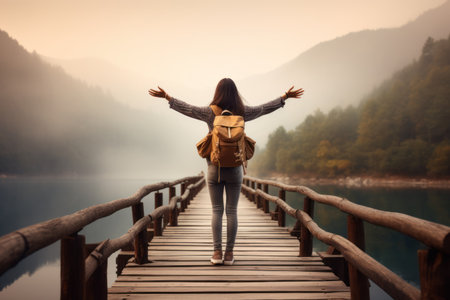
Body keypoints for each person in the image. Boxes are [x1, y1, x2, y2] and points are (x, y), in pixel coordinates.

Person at [149, 78, 303, 265]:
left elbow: (188, 109)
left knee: (216, 211)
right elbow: (264, 108)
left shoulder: (210, 112)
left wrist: (167, 97)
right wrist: (284, 96)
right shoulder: (242, 112)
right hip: (236, 170)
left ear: (217, 93)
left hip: (214, 169)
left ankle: (216, 253)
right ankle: (229, 254)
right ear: (235, 93)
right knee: (231, 211)